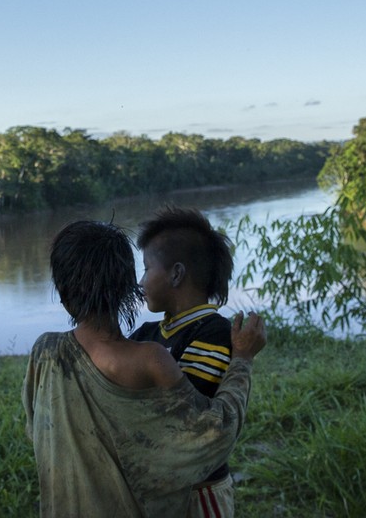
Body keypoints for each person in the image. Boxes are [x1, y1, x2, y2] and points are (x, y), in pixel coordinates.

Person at [23, 219, 266, 518]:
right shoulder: (150, 355)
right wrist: (243, 359)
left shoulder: (44, 353)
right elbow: (211, 433)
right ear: (125, 287)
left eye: (147, 270)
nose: (142, 281)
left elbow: (37, 430)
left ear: (62, 292)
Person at [129, 206, 237, 517]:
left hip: (198, 492)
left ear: (176, 274)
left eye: (147, 269)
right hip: (158, 486)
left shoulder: (214, 331)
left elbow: (183, 413)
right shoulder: (148, 332)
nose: (140, 282)